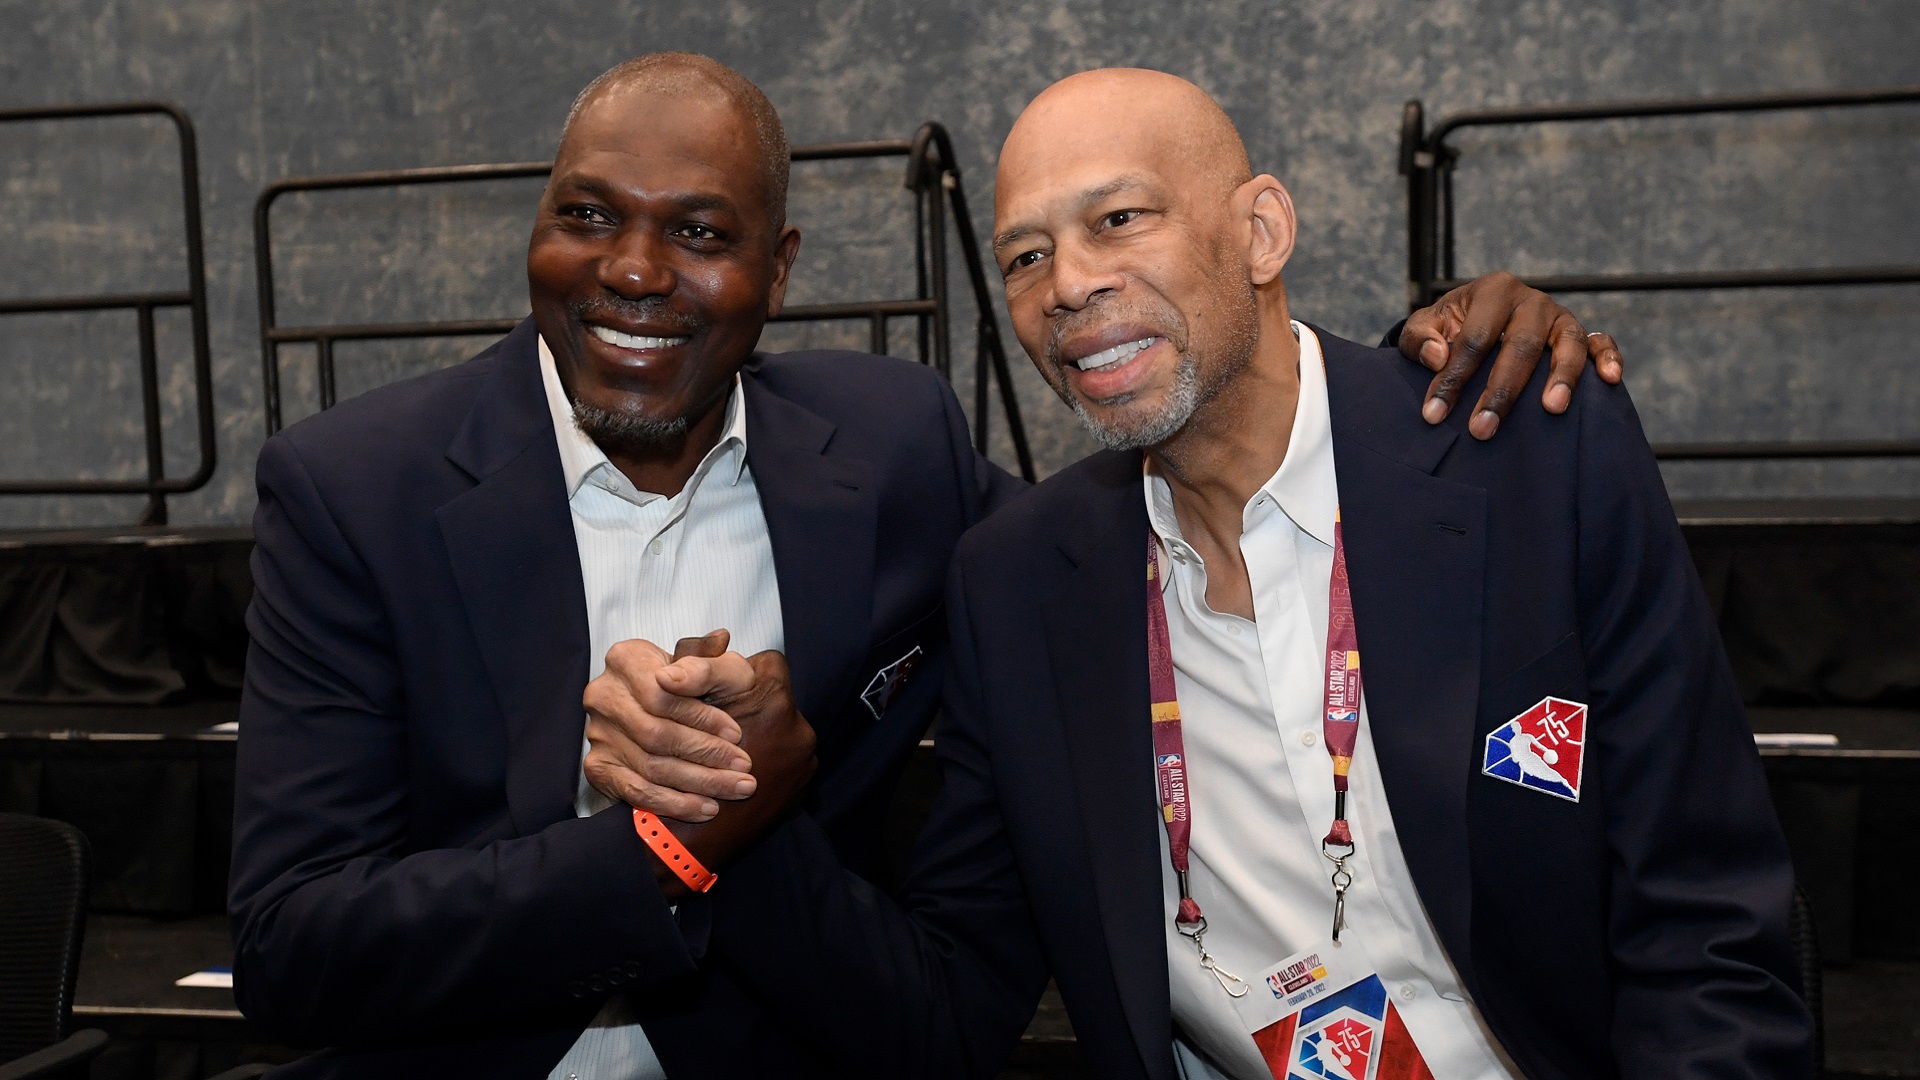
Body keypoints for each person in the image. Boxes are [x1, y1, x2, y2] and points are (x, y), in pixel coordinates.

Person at [228, 52, 1625, 1078]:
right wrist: (669, 840)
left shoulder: (894, 451)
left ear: (779, 273)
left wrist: (1447, 345)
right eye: (588, 216)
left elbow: (1165, 485)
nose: (634, 271)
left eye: (700, 233)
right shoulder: (360, 489)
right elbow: (292, 951)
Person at [597, 68, 1813, 1079]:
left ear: (1261, 232)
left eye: (1119, 221)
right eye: (1024, 257)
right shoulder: (1019, 584)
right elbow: (948, 1007)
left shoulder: (1526, 452)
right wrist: (730, 821)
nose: (1069, 285)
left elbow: (1712, 934)